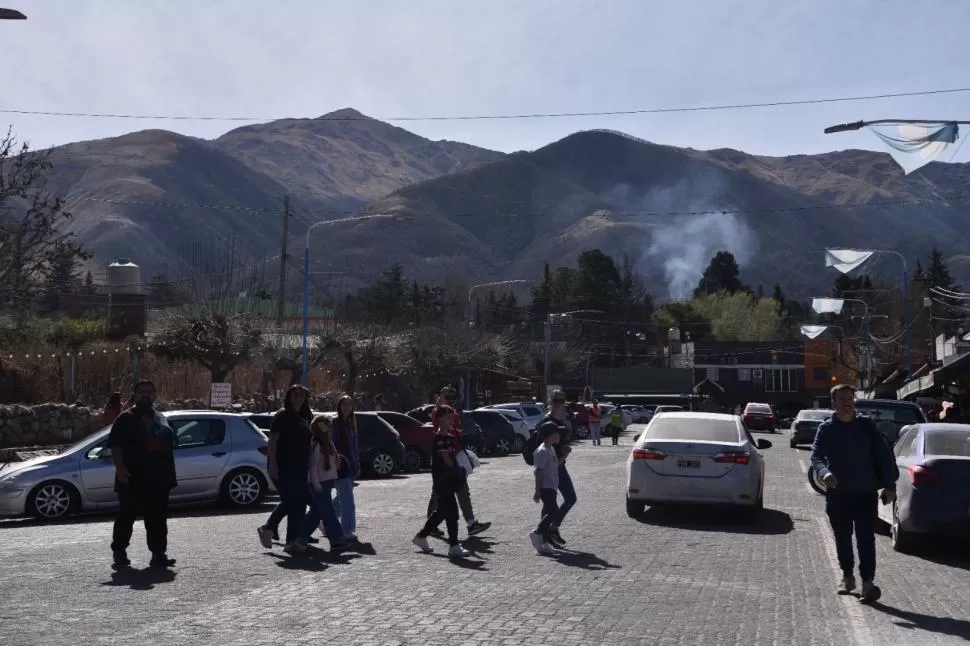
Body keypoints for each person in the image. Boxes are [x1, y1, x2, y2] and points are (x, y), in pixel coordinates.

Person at [811, 383, 899, 604]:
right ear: (833, 403)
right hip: (838, 495)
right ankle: (847, 576)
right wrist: (824, 472)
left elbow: (884, 455)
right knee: (842, 538)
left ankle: (867, 583)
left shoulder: (866, 426)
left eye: (850, 398)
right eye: (842, 399)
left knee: (865, 539)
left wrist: (890, 486)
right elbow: (817, 455)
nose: (847, 402)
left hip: (865, 494)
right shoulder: (827, 429)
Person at [107, 380, 177, 569]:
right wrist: (120, 469)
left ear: (155, 395)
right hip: (132, 477)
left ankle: (158, 553)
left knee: (157, 518)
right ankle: (119, 551)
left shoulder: (160, 417)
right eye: (141, 392)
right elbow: (115, 446)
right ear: (135, 395)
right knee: (126, 516)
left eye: (149, 391)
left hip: (158, 478)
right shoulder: (126, 418)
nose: (145, 395)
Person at [426, 386, 491, 537]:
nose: (452, 401)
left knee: (461, 491)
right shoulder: (441, 414)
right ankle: (431, 526)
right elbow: (437, 411)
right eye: (448, 398)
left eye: (454, 398)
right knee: (439, 493)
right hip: (445, 459)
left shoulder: (453, 414)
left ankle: (470, 523)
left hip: (455, 457)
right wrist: (441, 397)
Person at [257, 385, 312, 554]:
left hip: (301, 466)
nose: (299, 398)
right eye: (295, 395)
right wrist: (273, 464)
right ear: (288, 397)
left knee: (298, 501)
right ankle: (290, 540)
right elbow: (272, 441)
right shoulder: (282, 416)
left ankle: (270, 528)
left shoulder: (303, 417)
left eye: (302, 395)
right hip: (284, 465)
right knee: (292, 502)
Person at [412, 405, 472, 558]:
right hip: (442, 482)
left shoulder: (451, 438)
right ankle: (454, 545)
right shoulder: (439, 440)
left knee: (441, 513)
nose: (451, 419)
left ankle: (421, 536)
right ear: (439, 419)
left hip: (451, 481)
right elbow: (448, 461)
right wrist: (459, 466)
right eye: (447, 416)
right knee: (452, 512)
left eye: (452, 416)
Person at [290, 416, 348, 553]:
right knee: (329, 512)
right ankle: (337, 539)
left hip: (326, 481)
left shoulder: (328, 443)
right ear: (323, 429)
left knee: (316, 513)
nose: (332, 429)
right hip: (319, 483)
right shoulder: (316, 444)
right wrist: (316, 486)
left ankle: (300, 538)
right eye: (330, 427)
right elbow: (313, 467)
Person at [541, 391, 576, 548]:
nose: (559, 404)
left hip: (561, 464)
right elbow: (545, 445)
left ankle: (551, 529)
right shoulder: (547, 420)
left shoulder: (562, 420)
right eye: (556, 400)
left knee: (570, 498)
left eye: (562, 401)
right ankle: (543, 534)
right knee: (550, 502)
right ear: (550, 402)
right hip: (551, 466)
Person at [331, 394, 360, 542]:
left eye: (349, 404)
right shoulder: (335, 423)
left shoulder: (351, 423)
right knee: (347, 501)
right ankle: (347, 530)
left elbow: (354, 446)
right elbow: (332, 444)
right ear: (339, 406)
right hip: (341, 465)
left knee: (341, 499)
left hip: (352, 466)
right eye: (344, 404)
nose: (347, 407)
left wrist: (357, 464)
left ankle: (325, 519)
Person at [529, 420, 561, 555]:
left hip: (552, 486)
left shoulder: (550, 448)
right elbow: (538, 472)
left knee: (547, 513)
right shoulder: (542, 451)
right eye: (556, 433)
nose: (559, 435)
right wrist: (537, 491)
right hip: (545, 487)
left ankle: (543, 542)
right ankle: (537, 533)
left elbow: (554, 465)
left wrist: (565, 455)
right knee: (554, 512)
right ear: (549, 435)